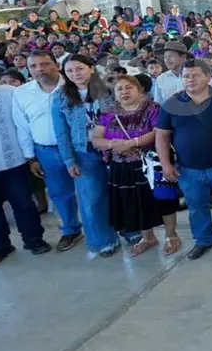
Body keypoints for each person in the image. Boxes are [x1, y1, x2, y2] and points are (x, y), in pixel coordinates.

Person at [155, 59, 212, 260]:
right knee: (196, 207)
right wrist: (166, 164)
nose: (190, 79)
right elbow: (161, 135)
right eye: (186, 76)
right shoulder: (172, 103)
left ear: (207, 76)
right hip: (188, 168)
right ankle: (203, 240)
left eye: (195, 75)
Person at [0, 58, 52, 268]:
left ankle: (34, 239)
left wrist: (31, 156)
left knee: (24, 204)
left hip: (12, 162)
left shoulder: (6, 93)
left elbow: (26, 120)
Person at [91, 74, 181, 256]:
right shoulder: (109, 113)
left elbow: (158, 132)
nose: (124, 92)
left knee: (164, 200)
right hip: (122, 167)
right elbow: (96, 139)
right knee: (135, 202)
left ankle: (171, 236)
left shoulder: (153, 109)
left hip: (152, 164)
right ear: (115, 94)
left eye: (129, 87)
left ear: (139, 90)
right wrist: (113, 144)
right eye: (119, 89)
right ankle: (148, 238)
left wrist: (132, 143)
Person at [13, 51, 87, 252]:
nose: (39, 69)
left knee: (91, 191)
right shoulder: (21, 93)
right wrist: (31, 158)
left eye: (44, 64)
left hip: (79, 149)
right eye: (33, 66)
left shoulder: (74, 85)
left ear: (57, 65)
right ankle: (71, 230)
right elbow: (22, 127)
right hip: (46, 151)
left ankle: (103, 230)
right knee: (59, 193)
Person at [51, 54, 120, 256]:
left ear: (91, 68)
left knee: (122, 191)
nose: (75, 74)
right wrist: (69, 160)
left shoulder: (108, 89)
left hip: (114, 148)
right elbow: (61, 132)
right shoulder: (60, 96)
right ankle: (103, 240)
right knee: (91, 199)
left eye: (79, 68)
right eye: (70, 71)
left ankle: (131, 232)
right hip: (84, 152)